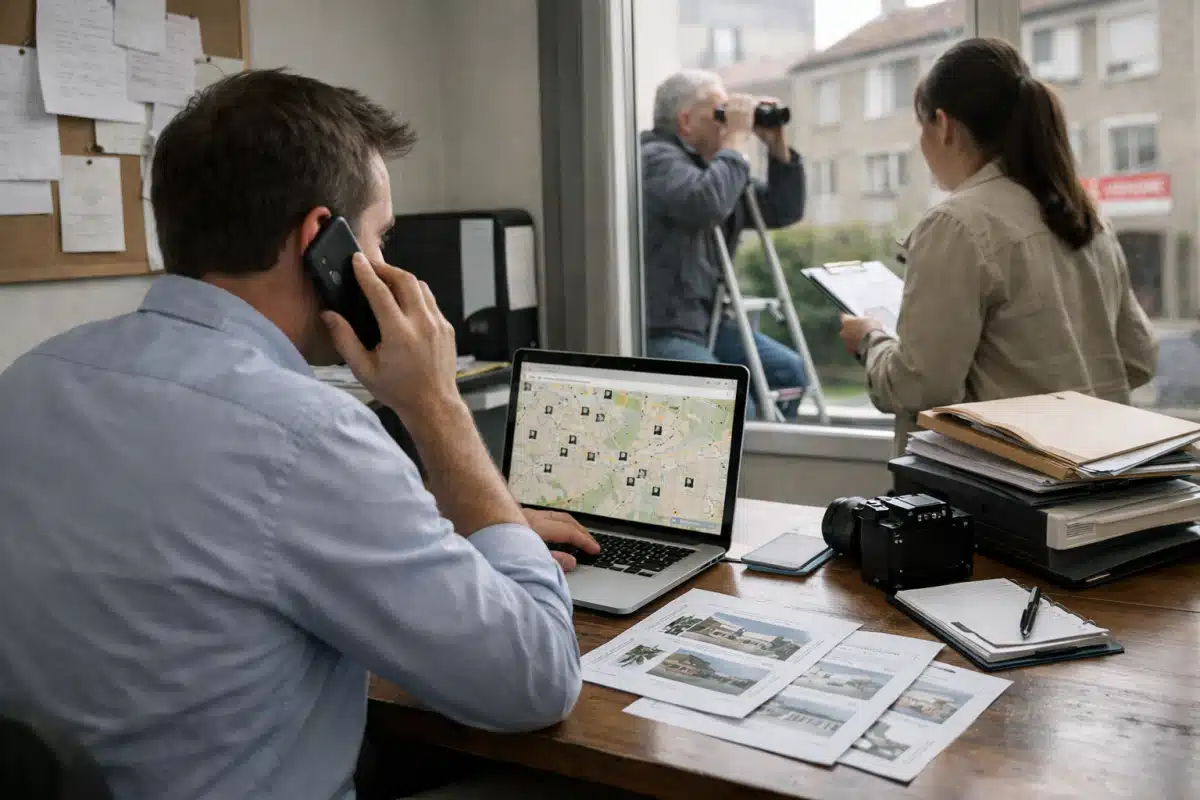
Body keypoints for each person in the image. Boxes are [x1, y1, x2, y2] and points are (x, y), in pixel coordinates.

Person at [0, 70, 601, 800]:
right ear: (322, 241)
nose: (388, 267)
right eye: (380, 238)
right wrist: (436, 404)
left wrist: (461, 528)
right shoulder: (304, 434)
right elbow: (536, 680)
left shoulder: (32, 379)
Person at [838, 38, 1158, 453]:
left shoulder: (957, 225)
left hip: (1005, 492)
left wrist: (870, 340)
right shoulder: (1087, 219)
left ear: (944, 124)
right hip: (1099, 471)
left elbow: (919, 387)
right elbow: (1138, 359)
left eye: (922, 127)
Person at [641, 69, 808, 419]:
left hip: (707, 324)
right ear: (685, 122)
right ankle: (735, 471)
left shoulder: (716, 170)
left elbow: (782, 209)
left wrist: (776, 145)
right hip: (663, 328)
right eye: (720, 113)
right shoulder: (654, 159)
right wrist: (734, 145)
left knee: (788, 372)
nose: (729, 123)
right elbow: (704, 204)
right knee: (732, 404)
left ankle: (764, 463)